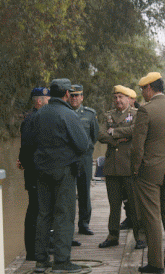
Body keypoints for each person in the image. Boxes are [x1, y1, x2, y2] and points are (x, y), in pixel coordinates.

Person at [29, 78, 89, 273]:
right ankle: (62, 262)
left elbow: (30, 143)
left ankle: (41, 261)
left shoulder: (38, 114)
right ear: (66, 94)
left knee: (43, 214)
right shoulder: (69, 115)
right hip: (63, 171)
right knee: (63, 215)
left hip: (41, 170)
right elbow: (82, 144)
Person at [131, 72, 165, 273]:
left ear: (148, 88)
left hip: (150, 172)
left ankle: (155, 263)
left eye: (142, 90)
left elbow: (137, 147)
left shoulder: (146, 111)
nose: (142, 94)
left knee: (152, 216)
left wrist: (135, 169)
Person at [97, 85, 145, 249]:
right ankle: (112, 235)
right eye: (115, 97)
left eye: (121, 97)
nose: (118, 100)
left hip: (129, 165)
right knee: (114, 204)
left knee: (134, 203)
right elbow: (100, 134)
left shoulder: (136, 114)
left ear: (128, 99)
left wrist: (114, 132)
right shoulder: (108, 115)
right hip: (112, 166)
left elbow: (135, 130)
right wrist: (117, 140)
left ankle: (140, 237)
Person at [17, 87, 50, 261]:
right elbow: (27, 148)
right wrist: (25, 163)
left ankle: (41, 246)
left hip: (36, 170)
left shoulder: (38, 117)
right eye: (47, 98)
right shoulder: (32, 119)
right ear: (39, 101)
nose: (49, 101)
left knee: (40, 209)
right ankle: (32, 251)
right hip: (35, 172)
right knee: (35, 210)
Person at [68, 84, 99, 236]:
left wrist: (85, 150)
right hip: (67, 159)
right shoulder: (64, 112)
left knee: (84, 192)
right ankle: (68, 226)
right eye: (72, 95)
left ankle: (84, 224)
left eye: (77, 95)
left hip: (85, 159)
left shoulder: (90, 114)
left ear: (82, 97)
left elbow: (94, 136)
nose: (74, 98)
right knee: (68, 193)